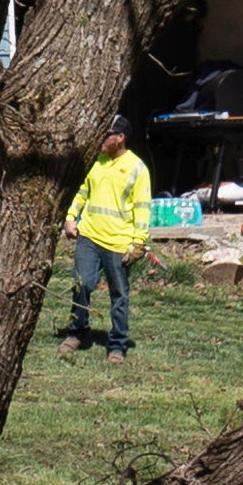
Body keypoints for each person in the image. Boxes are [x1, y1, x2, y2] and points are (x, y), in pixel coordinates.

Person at [64, 115, 154, 356]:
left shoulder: (137, 168)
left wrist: (138, 242)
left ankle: (117, 344)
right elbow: (82, 191)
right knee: (82, 284)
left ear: (120, 137)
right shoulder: (97, 162)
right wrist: (71, 216)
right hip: (89, 236)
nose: (101, 140)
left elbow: (142, 207)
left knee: (119, 295)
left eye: (106, 135)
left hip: (118, 242)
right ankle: (77, 331)